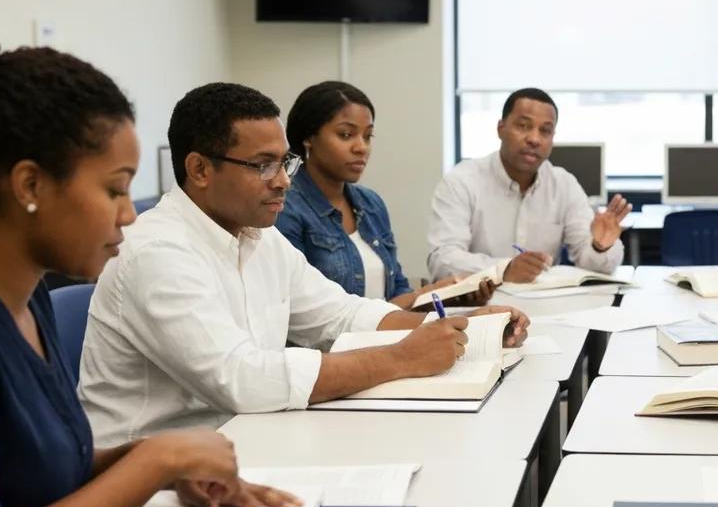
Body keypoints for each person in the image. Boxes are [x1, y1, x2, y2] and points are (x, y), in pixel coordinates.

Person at [0, 39, 299, 507]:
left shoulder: (28, 300)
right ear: (30, 185)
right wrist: (152, 462)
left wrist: (161, 467)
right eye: (114, 190)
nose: (129, 215)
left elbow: (43, 475)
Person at [79, 83, 528, 446]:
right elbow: (240, 379)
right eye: (262, 165)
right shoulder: (158, 251)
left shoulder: (258, 235)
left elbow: (342, 314)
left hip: (246, 444)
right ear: (199, 169)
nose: (283, 182)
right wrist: (400, 357)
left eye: (284, 163)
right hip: (150, 483)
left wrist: (464, 327)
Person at [276, 81, 494, 309]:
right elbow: (301, 309)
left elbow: (397, 292)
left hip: (386, 330)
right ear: (308, 137)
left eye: (368, 136)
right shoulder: (285, 207)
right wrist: (427, 293)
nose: (361, 147)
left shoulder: (370, 203)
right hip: (339, 334)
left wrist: (450, 295)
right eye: (346, 135)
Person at [427, 88, 632, 283]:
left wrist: (599, 247)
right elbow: (442, 260)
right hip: (479, 303)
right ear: (501, 128)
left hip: (546, 302)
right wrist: (504, 270)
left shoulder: (564, 185)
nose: (534, 139)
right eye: (523, 126)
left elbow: (591, 265)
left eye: (545, 131)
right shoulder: (462, 181)